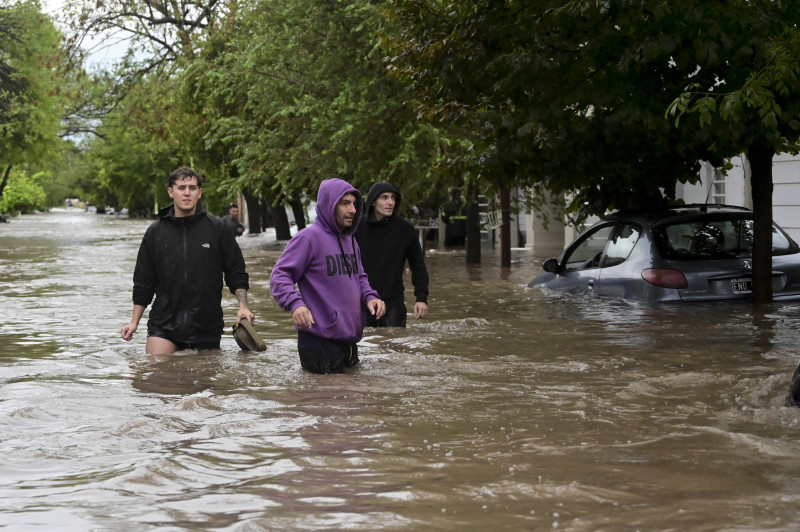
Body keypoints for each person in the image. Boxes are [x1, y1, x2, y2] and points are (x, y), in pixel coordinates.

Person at [121, 167, 255, 354]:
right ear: (171, 191)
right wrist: (134, 322)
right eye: (181, 187)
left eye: (192, 188)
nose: (186, 192)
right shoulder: (155, 232)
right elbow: (144, 281)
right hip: (164, 324)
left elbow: (236, 272)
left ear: (199, 193)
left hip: (207, 325)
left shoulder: (217, 229)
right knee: (156, 374)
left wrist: (244, 306)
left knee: (203, 380)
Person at [269, 178, 385, 374]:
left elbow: (360, 277)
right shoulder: (308, 238)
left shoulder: (351, 241)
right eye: (345, 203)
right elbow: (280, 276)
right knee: (322, 401)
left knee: (353, 401)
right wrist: (295, 304)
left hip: (348, 340)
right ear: (329, 205)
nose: (353, 210)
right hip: (318, 341)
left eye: (354, 204)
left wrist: (370, 296)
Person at [355, 182, 429, 327]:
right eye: (385, 197)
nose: (390, 202)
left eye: (393, 198)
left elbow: (418, 266)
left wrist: (421, 298)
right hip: (362, 302)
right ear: (373, 201)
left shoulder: (405, 230)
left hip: (393, 303)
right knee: (366, 347)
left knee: (395, 346)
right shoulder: (357, 229)